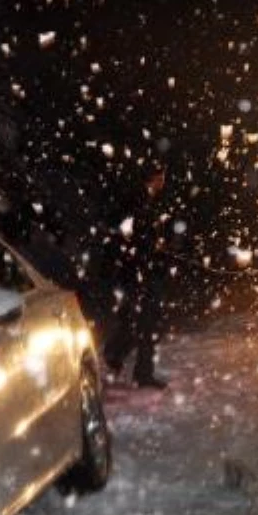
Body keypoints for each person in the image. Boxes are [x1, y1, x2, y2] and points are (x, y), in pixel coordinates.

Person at [102, 162, 171, 389]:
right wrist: (150, 248)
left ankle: (115, 356)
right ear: (154, 177)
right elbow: (132, 236)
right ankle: (141, 372)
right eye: (162, 176)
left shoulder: (143, 199)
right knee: (147, 322)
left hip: (137, 271)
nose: (164, 181)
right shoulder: (138, 201)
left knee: (137, 321)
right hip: (138, 272)